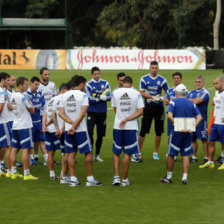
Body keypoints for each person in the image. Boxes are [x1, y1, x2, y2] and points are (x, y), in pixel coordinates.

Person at [59, 76, 103, 187]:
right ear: (82, 84)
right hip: (81, 130)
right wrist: (75, 125)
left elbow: (61, 113)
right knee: (88, 152)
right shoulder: (83, 95)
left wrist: (71, 124)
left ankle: (73, 179)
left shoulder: (64, 95)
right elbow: (83, 113)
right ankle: (90, 179)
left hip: (68, 130)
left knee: (71, 153)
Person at [160, 84, 202, 184]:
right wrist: (192, 127)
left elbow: (170, 115)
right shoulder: (191, 103)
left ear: (176, 93)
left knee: (171, 154)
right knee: (186, 155)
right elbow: (199, 117)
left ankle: (169, 177)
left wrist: (176, 124)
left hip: (176, 132)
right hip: (188, 132)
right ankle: (184, 178)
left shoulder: (173, 102)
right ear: (185, 93)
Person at [111, 76, 144, 186]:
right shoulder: (136, 94)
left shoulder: (115, 93)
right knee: (127, 153)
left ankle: (116, 177)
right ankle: (125, 180)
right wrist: (128, 118)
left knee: (116, 152)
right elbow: (140, 112)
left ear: (123, 83)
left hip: (118, 126)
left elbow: (115, 109)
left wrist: (122, 117)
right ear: (131, 83)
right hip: (131, 126)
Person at [137, 61, 169, 162]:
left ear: (158, 68)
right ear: (150, 68)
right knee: (143, 131)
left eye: (156, 68)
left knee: (158, 131)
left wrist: (163, 98)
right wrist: (152, 97)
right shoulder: (144, 78)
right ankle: (138, 153)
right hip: (148, 108)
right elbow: (141, 93)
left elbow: (168, 94)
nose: (154, 69)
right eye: (152, 67)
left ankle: (155, 153)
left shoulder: (163, 80)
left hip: (159, 108)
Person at [10, 77, 38, 180]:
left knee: (14, 149)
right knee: (26, 149)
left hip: (15, 124)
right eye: (26, 84)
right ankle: (26, 174)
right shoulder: (24, 96)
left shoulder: (11, 95)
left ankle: (13, 172)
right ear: (21, 84)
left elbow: (10, 107)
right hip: (24, 125)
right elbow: (32, 110)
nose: (27, 86)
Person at [86, 66, 111, 162]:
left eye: (98, 74)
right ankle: (90, 153)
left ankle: (97, 155)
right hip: (91, 112)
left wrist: (97, 95)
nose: (97, 76)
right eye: (95, 74)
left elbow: (109, 97)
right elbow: (90, 100)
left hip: (102, 112)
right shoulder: (88, 85)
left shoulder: (105, 83)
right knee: (90, 132)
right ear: (92, 75)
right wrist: (102, 97)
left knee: (100, 135)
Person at [199, 76, 224, 169]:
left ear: (223, 83)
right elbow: (215, 103)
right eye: (214, 83)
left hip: (222, 124)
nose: (215, 85)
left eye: (216, 83)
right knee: (211, 141)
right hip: (216, 122)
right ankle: (210, 162)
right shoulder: (217, 92)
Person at [187, 76, 210, 164]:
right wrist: (192, 100)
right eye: (196, 81)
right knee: (193, 139)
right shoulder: (191, 92)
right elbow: (190, 101)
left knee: (203, 138)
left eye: (199, 82)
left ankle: (206, 157)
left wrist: (189, 100)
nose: (197, 83)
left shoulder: (205, 92)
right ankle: (194, 157)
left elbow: (198, 101)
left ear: (203, 83)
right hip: (191, 119)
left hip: (201, 119)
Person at [26, 76, 48, 165]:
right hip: (29, 122)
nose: (37, 86)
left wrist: (33, 106)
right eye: (35, 84)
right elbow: (28, 106)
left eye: (38, 84)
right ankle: (31, 159)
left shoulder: (40, 93)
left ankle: (47, 158)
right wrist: (34, 105)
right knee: (30, 141)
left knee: (42, 140)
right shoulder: (26, 93)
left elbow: (42, 104)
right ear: (31, 83)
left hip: (38, 121)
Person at [37, 67, 57, 161]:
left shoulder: (52, 85)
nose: (47, 76)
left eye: (48, 74)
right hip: (40, 113)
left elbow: (55, 98)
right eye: (45, 74)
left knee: (50, 134)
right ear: (41, 75)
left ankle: (48, 157)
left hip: (50, 113)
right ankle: (36, 156)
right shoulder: (38, 86)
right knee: (39, 136)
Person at [52, 83, 69, 184]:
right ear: (64, 90)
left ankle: (63, 175)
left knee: (63, 152)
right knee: (68, 153)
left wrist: (57, 128)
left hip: (58, 130)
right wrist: (62, 128)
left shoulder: (55, 99)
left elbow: (54, 115)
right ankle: (64, 176)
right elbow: (65, 115)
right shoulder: (66, 98)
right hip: (66, 129)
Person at [42, 94, 61, 180]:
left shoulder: (50, 100)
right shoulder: (60, 99)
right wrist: (55, 127)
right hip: (56, 130)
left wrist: (44, 126)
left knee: (50, 152)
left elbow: (45, 114)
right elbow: (54, 115)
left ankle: (52, 174)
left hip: (48, 130)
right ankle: (64, 174)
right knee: (64, 152)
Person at [164, 72, 183, 160]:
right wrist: (172, 101)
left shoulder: (184, 90)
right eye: (174, 78)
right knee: (171, 134)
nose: (176, 80)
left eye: (178, 78)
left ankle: (176, 153)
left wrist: (172, 100)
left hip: (179, 116)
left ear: (181, 79)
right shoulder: (169, 90)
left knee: (179, 134)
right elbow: (165, 101)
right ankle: (170, 152)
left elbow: (184, 101)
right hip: (170, 116)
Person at [0, 72, 12, 177]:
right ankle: (9, 170)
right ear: (3, 80)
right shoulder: (2, 92)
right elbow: (1, 108)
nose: (7, 82)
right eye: (7, 80)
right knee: (8, 145)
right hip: (3, 122)